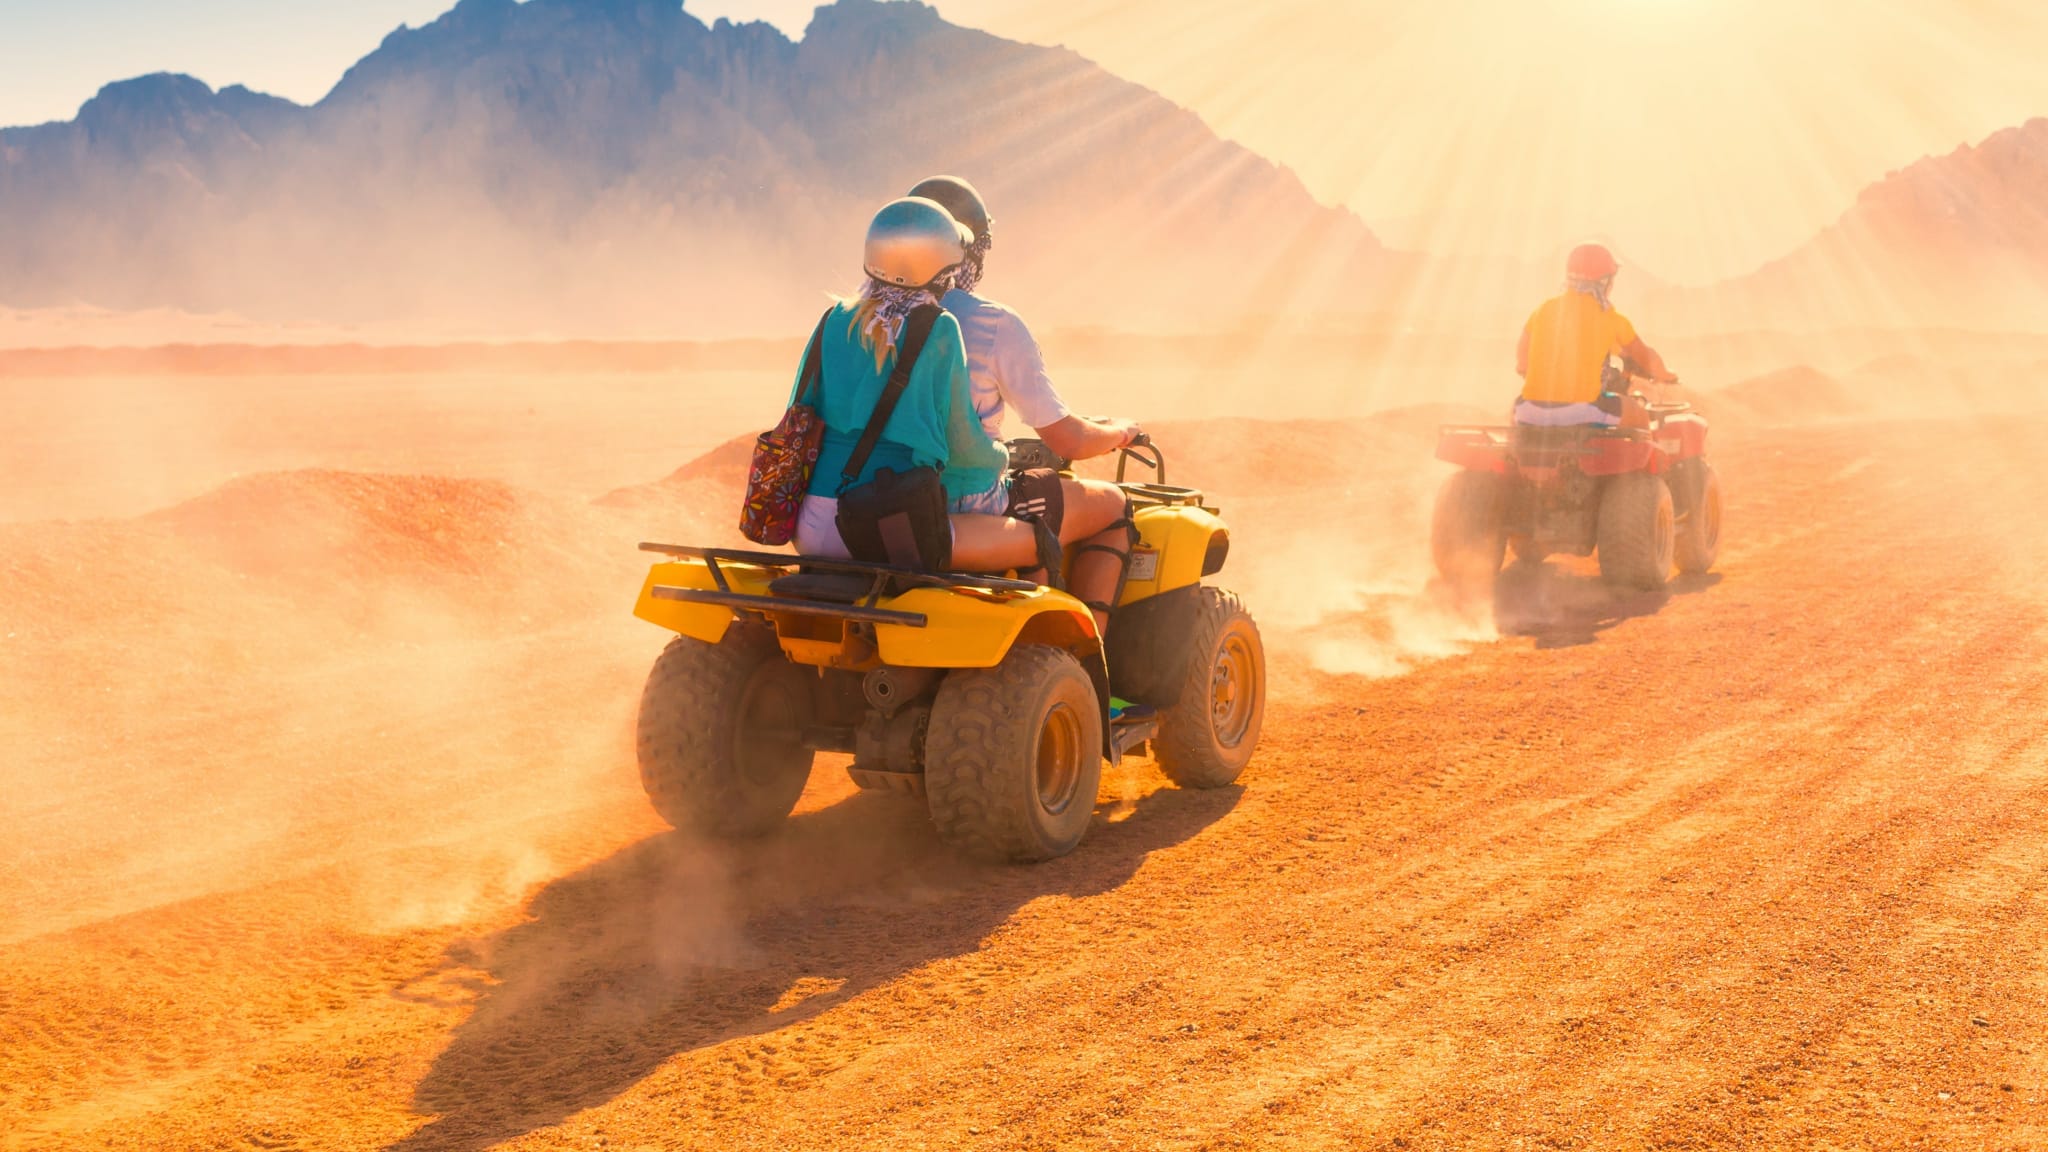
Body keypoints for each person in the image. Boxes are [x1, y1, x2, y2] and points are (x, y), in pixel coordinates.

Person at [907, 175, 1145, 633]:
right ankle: (1085, 653)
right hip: (964, 506)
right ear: (967, 248)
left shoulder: (864, 317)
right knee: (1113, 504)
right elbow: (1068, 440)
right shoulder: (989, 322)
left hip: (871, 500)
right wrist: (1120, 432)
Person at [791, 197, 1046, 575]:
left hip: (810, 526)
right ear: (939, 267)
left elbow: (799, 411)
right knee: (1041, 542)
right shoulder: (939, 327)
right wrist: (1001, 457)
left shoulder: (834, 318)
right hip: (885, 529)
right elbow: (961, 442)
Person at [1515, 243, 1678, 427]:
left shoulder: (1544, 309)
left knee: (1516, 413)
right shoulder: (1609, 317)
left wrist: (1531, 374)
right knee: (1638, 414)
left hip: (1530, 411)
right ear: (1604, 282)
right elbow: (1645, 356)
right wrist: (1666, 375)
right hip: (1581, 411)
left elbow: (1522, 357)